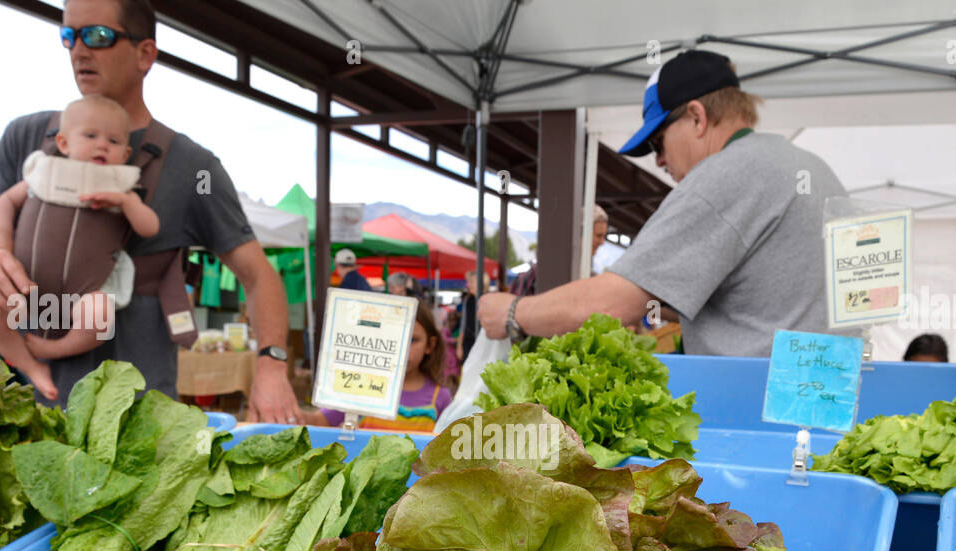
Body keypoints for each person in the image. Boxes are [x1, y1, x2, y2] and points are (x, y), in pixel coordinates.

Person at [0, 0, 302, 423]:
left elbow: (257, 273)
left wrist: (271, 364)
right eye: (69, 36)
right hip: (27, 413)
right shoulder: (26, 137)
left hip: (140, 421)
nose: (79, 51)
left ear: (145, 54)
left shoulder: (193, 167)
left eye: (97, 36)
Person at [480, 50, 847, 356]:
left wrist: (514, 311)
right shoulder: (809, 167)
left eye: (657, 143)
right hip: (822, 402)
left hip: (757, 416)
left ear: (697, 117)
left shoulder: (724, 175)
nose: (657, 160)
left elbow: (616, 302)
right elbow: (761, 303)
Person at [0, 95, 158, 400]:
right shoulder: (44, 172)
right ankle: (32, 367)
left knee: (101, 317)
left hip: (86, 290)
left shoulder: (121, 187)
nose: (102, 145)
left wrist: (127, 202)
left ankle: (57, 348)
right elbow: (5, 202)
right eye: (90, 136)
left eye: (113, 141)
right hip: (27, 283)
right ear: (63, 143)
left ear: (126, 153)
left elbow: (149, 227)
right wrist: (2, 242)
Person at [304, 302, 452, 432]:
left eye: (412, 340)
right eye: (392, 338)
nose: (401, 349)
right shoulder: (360, 386)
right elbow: (319, 422)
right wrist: (290, 413)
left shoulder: (441, 397)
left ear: (430, 345)